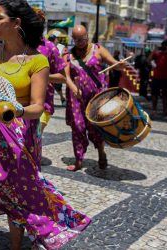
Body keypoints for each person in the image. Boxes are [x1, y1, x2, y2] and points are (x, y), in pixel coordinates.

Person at [0, 2, 91, 249]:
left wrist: (14, 110)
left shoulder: (37, 60)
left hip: (20, 133)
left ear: (16, 23)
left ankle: (15, 244)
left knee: (17, 191)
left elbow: (37, 107)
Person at [64, 25, 126, 171]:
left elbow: (114, 64)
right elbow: (65, 75)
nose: (80, 42)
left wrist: (120, 65)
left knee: (96, 127)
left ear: (88, 36)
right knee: (78, 128)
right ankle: (79, 160)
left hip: (96, 97)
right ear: (73, 39)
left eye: (83, 39)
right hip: (76, 98)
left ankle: (101, 152)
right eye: (77, 40)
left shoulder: (98, 50)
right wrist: (73, 87)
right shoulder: (68, 55)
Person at [35, 10, 66, 133]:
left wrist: (44, 76)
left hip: (43, 102)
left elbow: (62, 77)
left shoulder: (50, 47)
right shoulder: (20, 45)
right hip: (20, 102)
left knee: (34, 139)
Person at [149, 40, 167, 117]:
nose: (164, 47)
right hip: (156, 77)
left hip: (166, 78)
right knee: (154, 95)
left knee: (165, 95)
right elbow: (148, 60)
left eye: (166, 46)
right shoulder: (157, 53)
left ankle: (165, 110)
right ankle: (154, 110)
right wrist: (154, 51)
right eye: (163, 45)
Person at [48, 34, 67, 105]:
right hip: (50, 69)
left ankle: (62, 98)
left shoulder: (60, 47)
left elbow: (63, 55)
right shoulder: (48, 46)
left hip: (57, 69)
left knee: (58, 86)